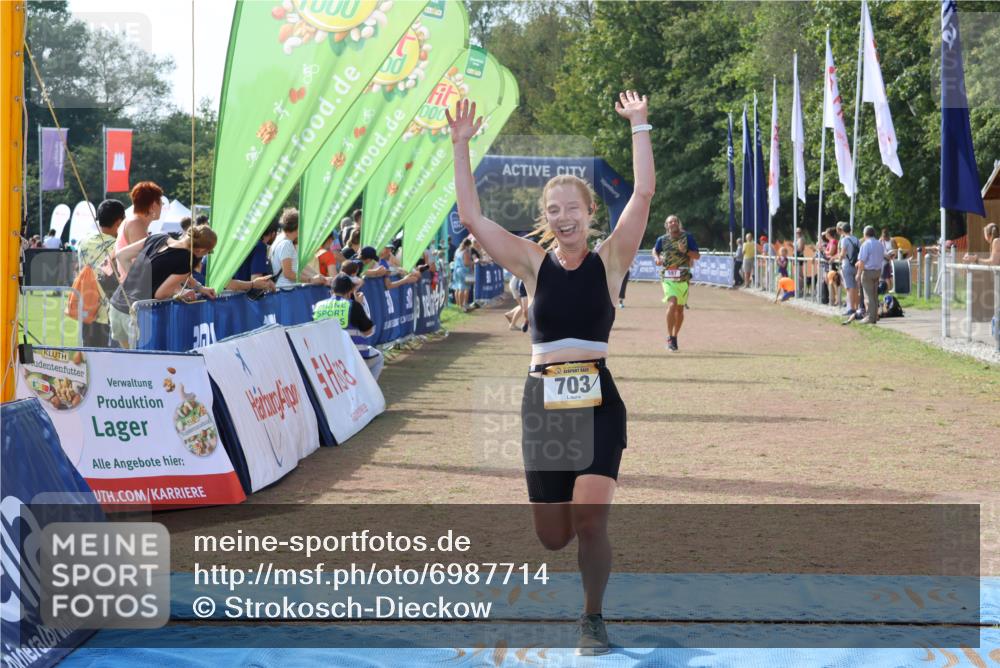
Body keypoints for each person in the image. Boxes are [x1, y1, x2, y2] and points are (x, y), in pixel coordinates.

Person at [448, 89, 654, 655]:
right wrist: (461, 146)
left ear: (590, 213)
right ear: (546, 219)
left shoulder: (611, 260)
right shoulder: (532, 265)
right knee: (553, 537)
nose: (564, 217)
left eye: (574, 208)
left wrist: (640, 124)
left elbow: (642, 192)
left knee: (591, 521)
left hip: (597, 404)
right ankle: (567, 549)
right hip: (543, 404)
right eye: (554, 210)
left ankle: (592, 618)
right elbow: (471, 216)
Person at [109, 224, 217, 348]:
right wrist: (180, 293)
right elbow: (161, 294)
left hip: (116, 306)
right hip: (137, 314)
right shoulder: (187, 260)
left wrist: (199, 288)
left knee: (128, 360)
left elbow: (121, 255)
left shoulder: (158, 237)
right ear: (202, 250)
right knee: (141, 363)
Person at [313, 274, 384, 380]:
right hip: (354, 357)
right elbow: (368, 331)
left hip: (327, 358)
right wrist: (360, 305)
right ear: (350, 291)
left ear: (331, 290)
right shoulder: (353, 305)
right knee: (379, 358)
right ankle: (368, 391)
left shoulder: (318, 306)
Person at [77, 200, 125, 347]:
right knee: (115, 365)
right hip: (113, 315)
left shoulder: (83, 242)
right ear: (119, 222)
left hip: (87, 311)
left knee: (92, 365)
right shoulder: (118, 246)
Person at [652, 215, 700, 351]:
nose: (672, 223)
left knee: (679, 309)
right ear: (666, 225)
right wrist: (657, 258)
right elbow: (655, 250)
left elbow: (697, 256)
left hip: (683, 278)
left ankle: (674, 336)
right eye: (670, 222)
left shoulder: (687, 237)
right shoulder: (662, 239)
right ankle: (669, 336)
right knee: (672, 303)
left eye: (675, 221)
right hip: (667, 277)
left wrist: (685, 251)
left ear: (678, 223)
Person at [116, 181, 164, 276]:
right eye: (161, 202)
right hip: (135, 287)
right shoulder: (135, 224)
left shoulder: (131, 221)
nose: (162, 205)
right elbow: (148, 261)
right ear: (153, 205)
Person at [855, 225, 883, 325]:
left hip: (868, 272)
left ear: (865, 234)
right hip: (877, 271)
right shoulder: (879, 244)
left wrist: (858, 274)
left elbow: (862, 261)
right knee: (875, 295)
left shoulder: (866, 244)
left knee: (868, 296)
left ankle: (870, 317)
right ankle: (875, 315)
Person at [835, 222, 860, 315]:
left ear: (843, 231)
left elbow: (843, 253)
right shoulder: (857, 239)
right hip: (856, 265)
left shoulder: (844, 240)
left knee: (849, 288)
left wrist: (839, 258)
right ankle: (857, 307)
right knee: (856, 288)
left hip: (847, 265)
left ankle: (851, 308)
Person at [450, 238, 472, 311]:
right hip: (464, 271)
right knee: (465, 288)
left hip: (456, 270)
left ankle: (459, 305)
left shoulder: (457, 250)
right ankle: (464, 305)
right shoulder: (466, 252)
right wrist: (473, 262)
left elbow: (454, 259)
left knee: (458, 288)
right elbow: (466, 263)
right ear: (468, 245)